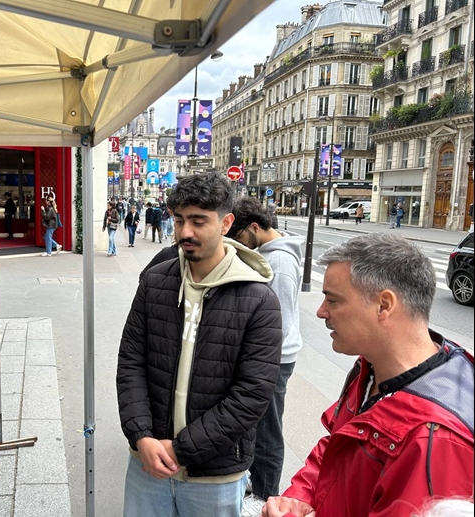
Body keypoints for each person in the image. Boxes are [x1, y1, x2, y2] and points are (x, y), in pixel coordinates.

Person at [262, 233, 475, 517]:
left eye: (333, 300)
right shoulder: (372, 366)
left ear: (384, 305)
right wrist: (300, 497)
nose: (321, 311)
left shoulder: (435, 440)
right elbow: (337, 447)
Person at [117, 172, 283, 517]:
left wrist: (182, 450)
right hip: (147, 464)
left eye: (198, 221)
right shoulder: (155, 281)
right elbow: (131, 362)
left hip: (215, 475)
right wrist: (141, 436)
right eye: (179, 220)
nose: (185, 232)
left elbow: (252, 394)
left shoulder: (258, 298)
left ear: (226, 223)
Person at [226, 197, 304, 517]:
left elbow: (280, 322)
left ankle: (266, 494)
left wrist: (256, 359)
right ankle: (258, 484)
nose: (237, 243)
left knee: (269, 428)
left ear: (254, 228)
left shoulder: (281, 264)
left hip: (275, 358)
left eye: (239, 236)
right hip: (269, 355)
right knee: (258, 423)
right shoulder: (269, 254)